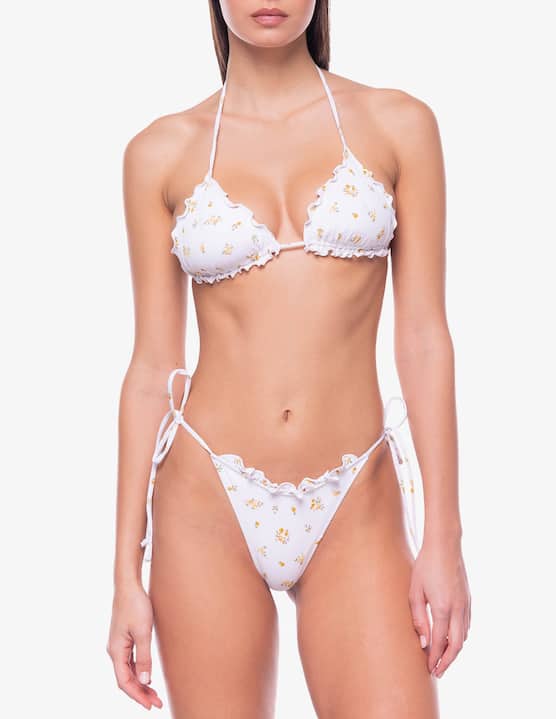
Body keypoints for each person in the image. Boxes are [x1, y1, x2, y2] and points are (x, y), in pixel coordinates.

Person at [107, 1, 471, 716]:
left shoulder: (399, 125)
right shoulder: (160, 152)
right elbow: (152, 368)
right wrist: (126, 570)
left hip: (356, 502)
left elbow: (425, 337)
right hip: (205, 502)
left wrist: (444, 538)